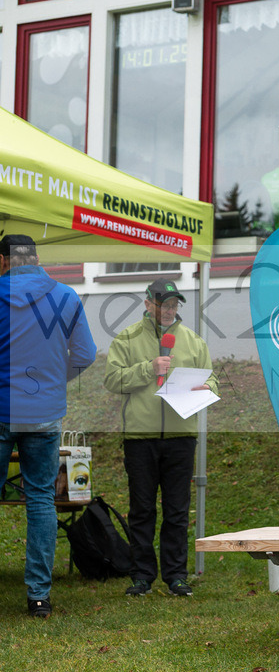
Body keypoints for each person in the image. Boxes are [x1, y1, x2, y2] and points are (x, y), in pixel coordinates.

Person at [0, 234, 96, 618]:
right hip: (44, 413)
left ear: (4, 260)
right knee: (40, 499)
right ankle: (38, 596)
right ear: (35, 258)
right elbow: (85, 355)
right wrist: (54, 380)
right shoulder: (66, 297)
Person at [103, 279, 217, 597]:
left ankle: (176, 575)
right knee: (142, 509)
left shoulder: (194, 342)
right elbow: (112, 379)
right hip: (140, 437)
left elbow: (213, 379)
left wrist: (210, 388)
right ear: (147, 304)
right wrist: (147, 368)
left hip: (181, 436)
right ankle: (141, 576)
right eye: (162, 304)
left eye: (173, 305)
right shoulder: (126, 339)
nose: (168, 310)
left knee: (177, 510)